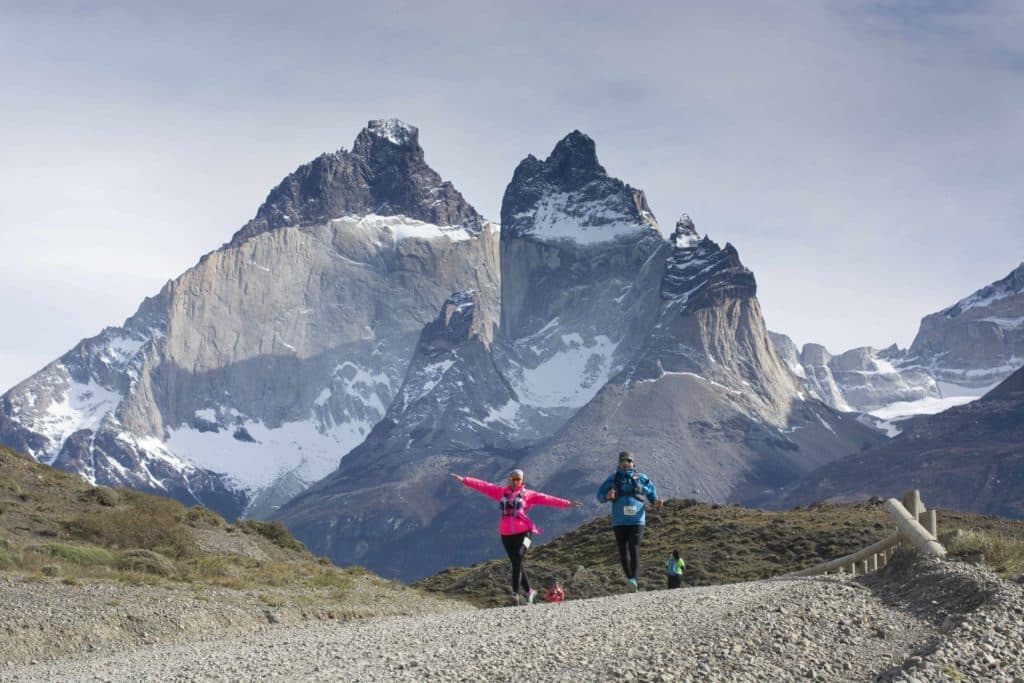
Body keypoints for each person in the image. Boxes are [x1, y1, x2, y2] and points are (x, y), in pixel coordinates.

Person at [451, 468, 581, 606]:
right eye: (512, 479)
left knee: (518, 557)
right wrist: (465, 480)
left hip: (525, 533)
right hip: (506, 534)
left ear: (522, 481)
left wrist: (567, 504)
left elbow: (547, 499)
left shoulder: (528, 494)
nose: (515, 481)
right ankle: (530, 591)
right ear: (509, 479)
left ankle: (515, 594)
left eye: (518, 479)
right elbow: (484, 486)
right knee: (516, 563)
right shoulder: (501, 492)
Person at [596, 451, 662, 592]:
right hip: (619, 520)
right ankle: (630, 580)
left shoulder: (642, 478)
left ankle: (633, 580)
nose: (626, 463)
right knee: (622, 551)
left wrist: (657, 503)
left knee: (634, 547)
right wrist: (607, 496)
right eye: (623, 461)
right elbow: (600, 496)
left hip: (637, 520)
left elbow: (652, 497)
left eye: (629, 461)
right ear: (619, 463)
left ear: (633, 462)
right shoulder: (612, 479)